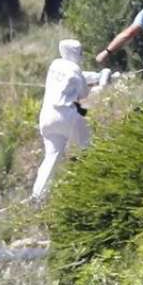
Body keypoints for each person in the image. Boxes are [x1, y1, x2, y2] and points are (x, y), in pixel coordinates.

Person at [32, 39, 92, 199]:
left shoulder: (55, 64)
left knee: (51, 156)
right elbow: (84, 93)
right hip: (67, 115)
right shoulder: (76, 69)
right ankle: (92, 186)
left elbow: (71, 79)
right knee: (88, 149)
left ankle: (37, 197)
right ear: (76, 53)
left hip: (46, 117)